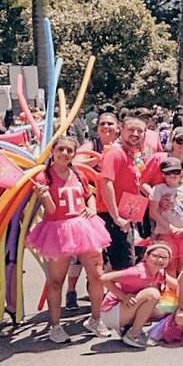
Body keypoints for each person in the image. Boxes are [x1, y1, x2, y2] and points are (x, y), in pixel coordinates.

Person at [27, 136, 113, 343]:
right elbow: (52, 211)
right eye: (61, 149)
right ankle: (55, 326)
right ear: (53, 151)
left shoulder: (78, 173)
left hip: (84, 228)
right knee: (56, 281)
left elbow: (88, 194)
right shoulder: (43, 177)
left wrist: (91, 208)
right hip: (57, 231)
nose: (64, 154)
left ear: (74, 154)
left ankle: (95, 319)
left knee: (97, 275)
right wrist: (44, 195)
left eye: (69, 151)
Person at [99, 242, 177, 348]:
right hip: (111, 312)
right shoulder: (138, 273)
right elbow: (104, 278)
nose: (159, 260)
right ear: (146, 256)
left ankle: (127, 327)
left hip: (124, 309)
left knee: (169, 308)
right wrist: (123, 296)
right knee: (152, 294)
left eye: (164, 257)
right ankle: (133, 334)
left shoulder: (159, 272)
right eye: (155, 256)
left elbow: (178, 286)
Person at [97, 116, 148, 270]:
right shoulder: (115, 153)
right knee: (123, 265)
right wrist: (116, 216)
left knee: (129, 260)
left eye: (140, 131)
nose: (135, 134)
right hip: (112, 216)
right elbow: (106, 183)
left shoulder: (132, 154)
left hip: (127, 214)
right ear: (121, 129)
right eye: (131, 129)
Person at [148, 157, 183, 274]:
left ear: (182, 173)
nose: (173, 175)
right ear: (163, 174)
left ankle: (182, 290)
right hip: (165, 232)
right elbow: (153, 212)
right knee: (170, 263)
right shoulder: (158, 189)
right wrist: (170, 227)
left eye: (176, 171)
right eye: (168, 172)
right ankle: (170, 291)